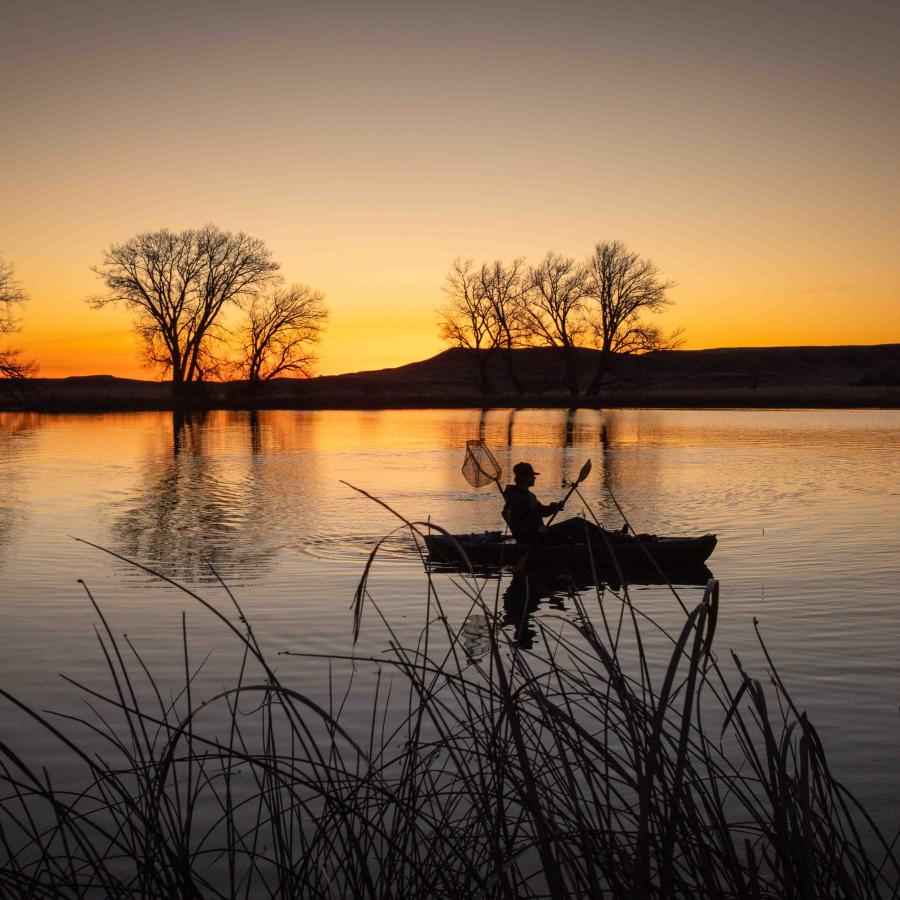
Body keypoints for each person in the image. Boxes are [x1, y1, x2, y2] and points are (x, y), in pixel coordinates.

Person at [502, 461, 605, 544]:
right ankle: (606, 541)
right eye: (531, 476)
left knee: (578, 522)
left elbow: (542, 511)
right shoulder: (515, 498)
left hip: (540, 534)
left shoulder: (529, 495)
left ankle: (607, 537)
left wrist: (555, 507)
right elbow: (513, 521)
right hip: (533, 539)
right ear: (523, 478)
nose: (534, 477)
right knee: (573, 524)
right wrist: (536, 529)